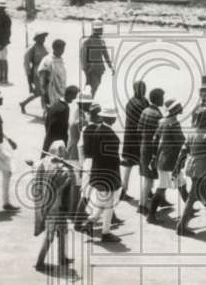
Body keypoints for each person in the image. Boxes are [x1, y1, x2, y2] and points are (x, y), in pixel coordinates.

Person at [82, 104, 123, 242]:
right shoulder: (110, 135)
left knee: (103, 202)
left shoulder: (98, 131)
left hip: (98, 172)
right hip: (108, 175)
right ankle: (105, 233)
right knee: (109, 205)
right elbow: (112, 159)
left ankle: (90, 222)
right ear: (112, 119)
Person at [34, 140, 76, 271]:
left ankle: (62, 257)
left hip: (55, 204)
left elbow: (35, 166)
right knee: (50, 235)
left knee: (63, 230)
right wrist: (70, 173)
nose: (65, 154)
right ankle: (39, 263)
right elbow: (66, 184)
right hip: (54, 206)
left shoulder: (44, 162)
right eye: (62, 151)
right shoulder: (59, 168)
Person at [148, 98, 187, 223]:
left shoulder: (162, 121)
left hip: (163, 158)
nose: (181, 107)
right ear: (175, 109)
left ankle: (189, 208)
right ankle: (151, 216)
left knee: (181, 183)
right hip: (170, 160)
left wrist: (154, 156)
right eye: (179, 106)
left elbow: (155, 139)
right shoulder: (174, 124)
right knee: (162, 188)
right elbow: (181, 141)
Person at [136, 88, 165, 215]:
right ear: (157, 99)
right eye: (162, 97)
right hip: (152, 150)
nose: (163, 100)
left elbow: (138, 131)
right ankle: (142, 205)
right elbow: (158, 137)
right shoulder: (158, 115)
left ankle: (160, 200)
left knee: (149, 177)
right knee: (149, 179)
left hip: (143, 146)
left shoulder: (145, 111)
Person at [119, 80, 149, 200]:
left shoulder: (133, 102)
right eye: (141, 88)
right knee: (141, 165)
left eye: (144, 88)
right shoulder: (140, 103)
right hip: (137, 139)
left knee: (130, 165)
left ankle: (124, 190)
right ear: (136, 89)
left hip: (131, 139)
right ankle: (124, 190)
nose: (143, 90)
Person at [20, 31, 50, 115]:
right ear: (37, 38)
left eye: (44, 37)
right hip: (37, 73)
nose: (44, 39)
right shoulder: (32, 48)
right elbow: (26, 63)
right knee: (43, 92)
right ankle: (45, 111)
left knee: (39, 92)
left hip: (46, 71)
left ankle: (23, 103)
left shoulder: (46, 48)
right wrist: (29, 77)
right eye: (42, 37)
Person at [80, 21, 113, 97]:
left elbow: (105, 54)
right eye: (100, 29)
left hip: (99, 69)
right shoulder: (87, 42)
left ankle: (88, 103)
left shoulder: (101, 41)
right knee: (91, 88)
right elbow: (83, 57)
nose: (102, 31)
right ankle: (86, 104)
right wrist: (86, 70)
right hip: (91, 69)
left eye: (101, 29)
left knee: (95, 87)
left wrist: (111, 66)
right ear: (96, 30)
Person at [43, 85, 78, 153]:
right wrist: (65, 143)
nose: (75, 98)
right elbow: (63, 129)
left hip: (48, 139)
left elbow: (47, 123)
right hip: (57, 144)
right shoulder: (64, 109)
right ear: (70, 95)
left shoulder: (55, 104)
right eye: (74, 96)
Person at [38, 39, 68, 111]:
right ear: (55, 48)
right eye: (61, 49)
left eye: (63, 49)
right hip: (51, 92)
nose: (63, 51)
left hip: (61, 91)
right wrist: (45, 94)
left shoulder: (60, 59)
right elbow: (43, 78)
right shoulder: (47, 60)